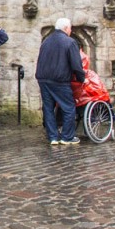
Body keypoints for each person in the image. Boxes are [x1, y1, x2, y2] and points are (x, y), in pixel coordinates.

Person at [35, 17, 86, 145]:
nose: (70, 30)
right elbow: (76, 64)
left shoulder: (46, 41)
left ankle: (53, 137)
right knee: (68, 107)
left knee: (48, 108)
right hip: (59, 79)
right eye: (70, 28)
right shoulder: (70, 42)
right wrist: (81, 78)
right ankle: (67, 137)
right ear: (65, 28)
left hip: (43, 79)